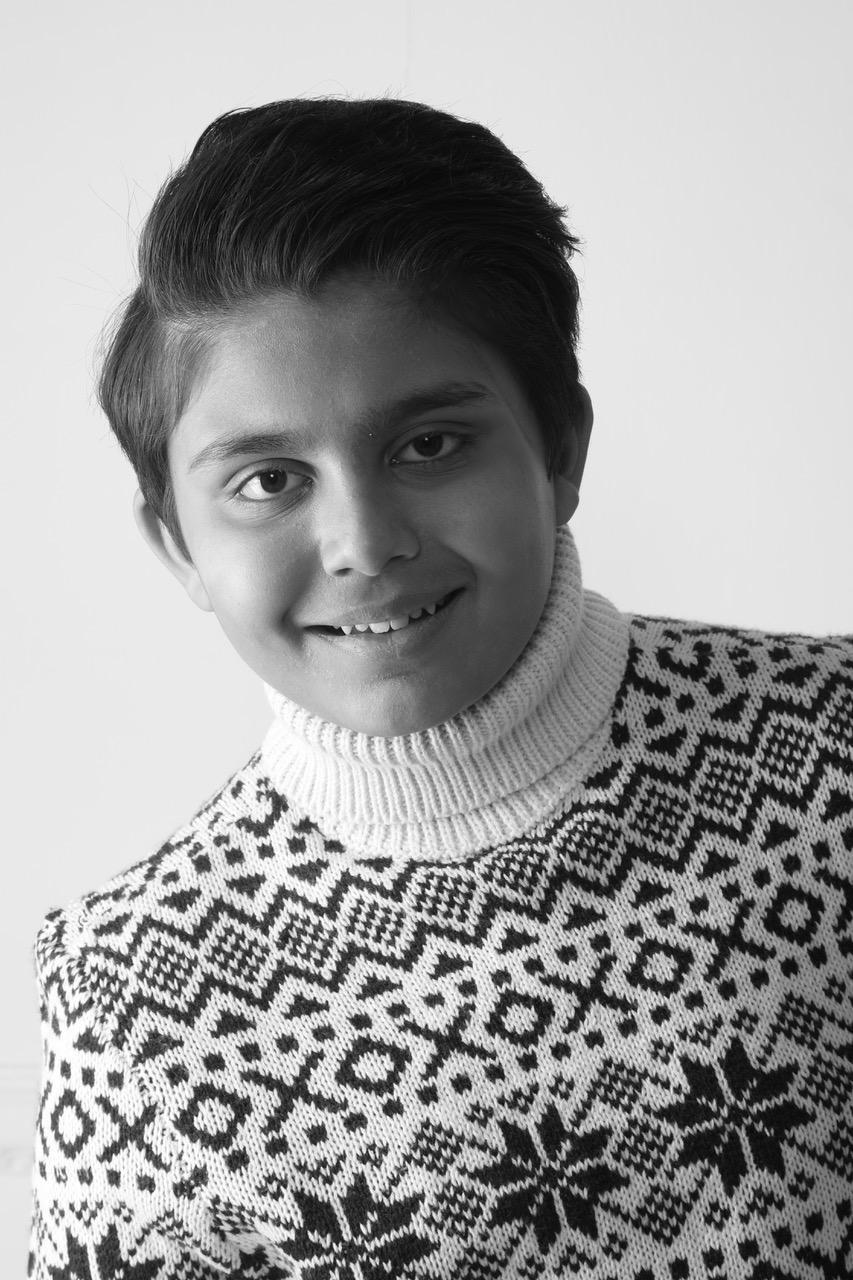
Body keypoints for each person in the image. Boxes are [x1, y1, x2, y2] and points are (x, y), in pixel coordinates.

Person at [29, 98, 852, 1280]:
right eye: (268, 480)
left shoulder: (828, 753)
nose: (363, 542)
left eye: (427, 445)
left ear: (560, 450)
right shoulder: (133, 997)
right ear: (177, 545)